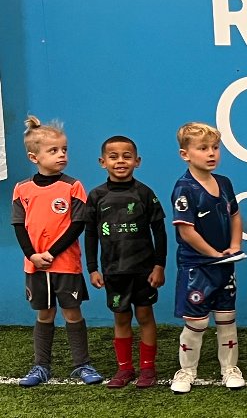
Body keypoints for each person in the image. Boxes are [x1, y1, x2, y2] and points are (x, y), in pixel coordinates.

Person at [14, 116, 101, 388]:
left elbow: (78, 224)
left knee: (72, 313)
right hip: (36, 266)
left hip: (65, 264)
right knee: (45, 314)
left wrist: (51, 252)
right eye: (53, 151)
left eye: (64, 150)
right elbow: (19, 226)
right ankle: (41, 366)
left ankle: (82, 364)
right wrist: (33, 256)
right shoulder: (22, 189)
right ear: (34, 157)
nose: (61, 155)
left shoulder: (72, 186)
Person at [84, 135, 167, 389]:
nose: (120, 161)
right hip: (113, 271)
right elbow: (90, 234)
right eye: (113, 156)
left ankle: (147, 369)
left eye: (127, 156)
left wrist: (159, 265)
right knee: (120, 319)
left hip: (143, 271)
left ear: (137, 161)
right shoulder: (97, 196)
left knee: (144, 316)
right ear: (102, 162)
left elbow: (160, 231)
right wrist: (92, 268)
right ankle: (125, 370)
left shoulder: (144, 193)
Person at [168, 122, 244, 394]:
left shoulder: (224, 183)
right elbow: (186, 232)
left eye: (215, 147)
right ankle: (186, 372)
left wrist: (234, 246)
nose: (211, 153)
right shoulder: (184, 188)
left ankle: (229, 369)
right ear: (185, 154)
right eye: (203, 148)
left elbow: (234, 215)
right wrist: (213, 254)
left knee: (227, 318)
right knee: (197, 322)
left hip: (224, 265)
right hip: (196, 267)